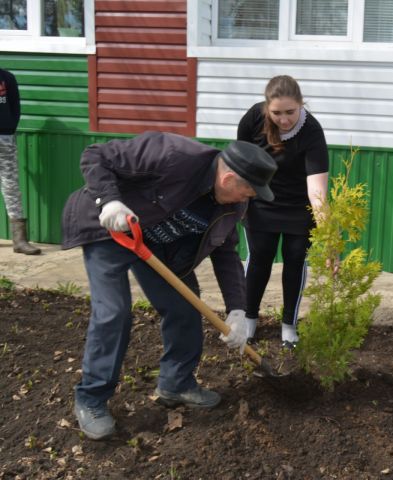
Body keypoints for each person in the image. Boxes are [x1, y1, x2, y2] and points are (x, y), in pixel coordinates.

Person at [62, 131, 277, 440]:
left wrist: (238, 310)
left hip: (157, 248)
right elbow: (96, 155)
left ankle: (176, 384)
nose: (250, 198)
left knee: (185, 307)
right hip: (112, 230)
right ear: (229, 179)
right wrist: (109, 202)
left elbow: (226, 253)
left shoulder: (233, 206)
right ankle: (91, 399)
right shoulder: (174, 154)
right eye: (249, 191)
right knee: (113, 312)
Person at [236, 75, 329, 349]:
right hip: (260, 202)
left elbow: (317, 191)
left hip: (299, 208)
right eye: (277, 113)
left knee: (295, 261)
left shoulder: (311, 131)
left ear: (301, 104)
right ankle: (249, 319)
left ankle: (289, 325)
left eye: (290, 112)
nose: (284, 119)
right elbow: (241, 163)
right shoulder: (252, 119)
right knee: (259, 259)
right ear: (267, 107)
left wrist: (327, 234)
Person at [0, 68, 41, 255]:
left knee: (11, 187)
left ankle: (20, 240)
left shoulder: (7, 77)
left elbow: (15, 106)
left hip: (5, 138)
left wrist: (9, 128)